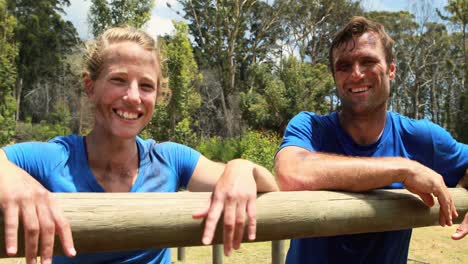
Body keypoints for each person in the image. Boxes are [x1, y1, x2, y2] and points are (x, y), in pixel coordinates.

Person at [0, 26, 279, 264]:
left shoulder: (170, 159)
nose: (133, 97)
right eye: (118, 80)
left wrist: (242, 168)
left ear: (158, 95)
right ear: (90, 86)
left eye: (146, 86)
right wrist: (10, 178)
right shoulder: (53, 158)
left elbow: (269, 185)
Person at [274, 16, 468, 264]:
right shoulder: (311, 127)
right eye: (343, 66)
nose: (356, 74)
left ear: (392, 69)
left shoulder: (420, 137)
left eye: (368, 61)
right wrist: (403, 169)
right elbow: (292, 173)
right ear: (335, 76)